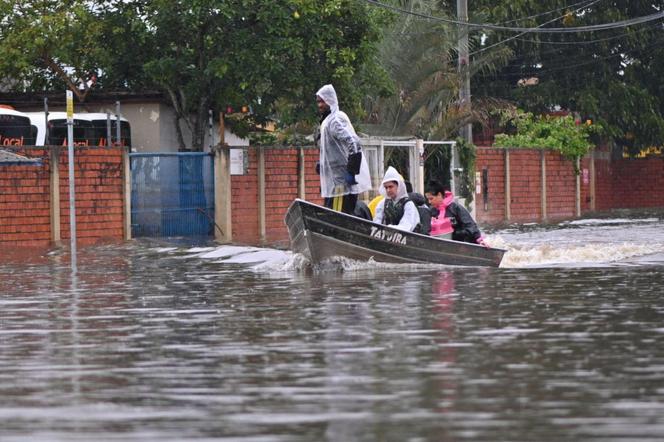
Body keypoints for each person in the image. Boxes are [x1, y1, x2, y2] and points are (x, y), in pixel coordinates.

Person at [315, 84, 371, 214]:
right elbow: (334, 150)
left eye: (322, 101)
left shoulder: (335, 120)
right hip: (334, 181)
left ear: (330, 100)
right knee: (331, 214)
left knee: (337, 217)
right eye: (318, 101)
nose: (320, 105)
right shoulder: (327, 121)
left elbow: (354, 142)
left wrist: (351, 170)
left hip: (340, 183)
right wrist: (323, 165)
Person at [425, 180, 489, 246]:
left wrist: (480, 240)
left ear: (439, 194)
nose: (429, 202)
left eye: (431, 198)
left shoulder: (455, 208)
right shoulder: (431, 211)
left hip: (461, 244)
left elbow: (471, 225)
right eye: (428, 199)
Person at [373, 166, 420, 232]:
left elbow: (407, 226)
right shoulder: (383, 203)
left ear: (399, 186)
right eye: (386, 187)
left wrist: (391, 228)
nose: (388, 190)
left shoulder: (408, 204)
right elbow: (377, 222)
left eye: (391, 187)